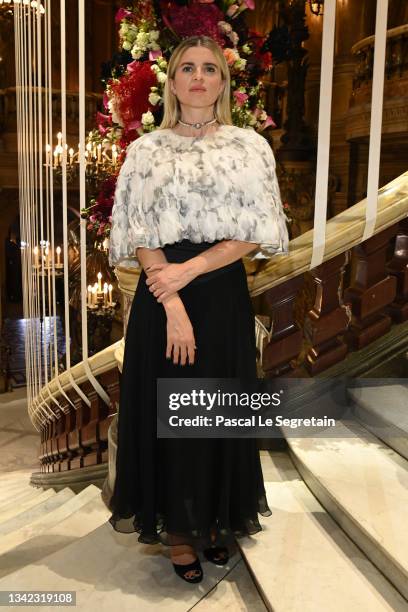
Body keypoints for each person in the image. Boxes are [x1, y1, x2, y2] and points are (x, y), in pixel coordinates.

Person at [107, 34, 290, 584]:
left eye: (210, 68)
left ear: (223, 83)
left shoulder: (249, 146)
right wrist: (173, 302)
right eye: (187, 67)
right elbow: (138, 232)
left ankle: (213, 522)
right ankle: (180, 533)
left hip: (220, 292)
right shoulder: (145, 149)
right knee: (170, 415)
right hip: (162, 296)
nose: (198, 77)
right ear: (172, 80)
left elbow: (256, 232)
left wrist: (187, 273)